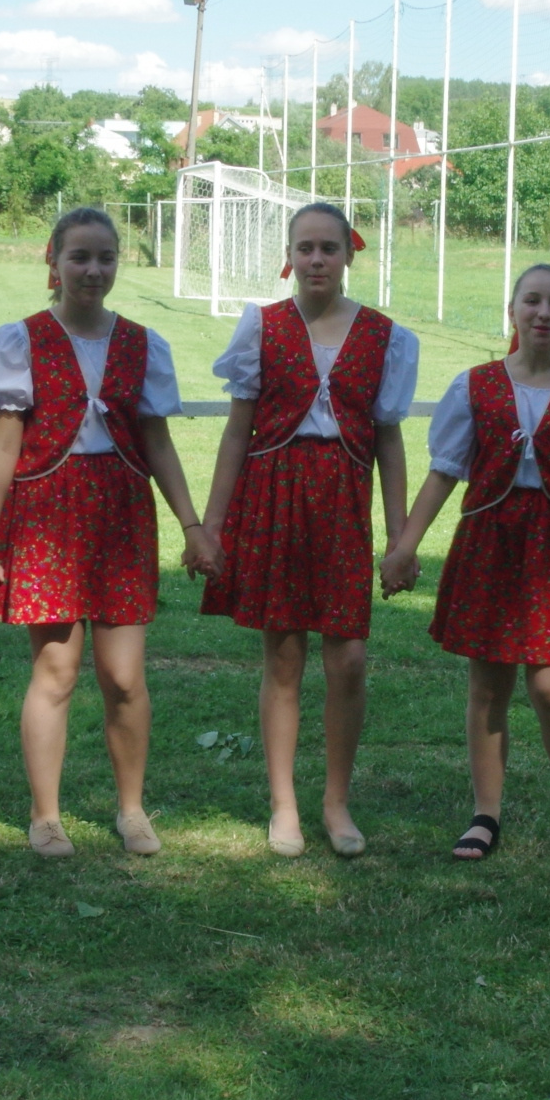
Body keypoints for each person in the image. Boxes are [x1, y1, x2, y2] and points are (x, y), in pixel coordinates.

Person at [0, 208, 219, 858]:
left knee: (124, 676)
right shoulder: (22, 339)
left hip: (120, 514)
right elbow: (3, 447)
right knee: (55, 669)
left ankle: (131, 809)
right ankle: (46, 815)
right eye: (79, 256)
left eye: (105, 257)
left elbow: (158, 443)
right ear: (53, 260)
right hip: (47, 512)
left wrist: (192, 525)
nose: (92, 269)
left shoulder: (142, 343)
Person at [379, 263, 550, 861]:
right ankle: (485, 813)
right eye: (533, 301)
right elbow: (445, 471)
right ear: (513, 310)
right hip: (489, 542)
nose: (544, 313)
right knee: (489, 684)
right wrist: (405, 546)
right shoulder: (475, 385)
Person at [198, 202, 418, 858]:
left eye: (329, 247)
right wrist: (211, 525)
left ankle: (336, 801)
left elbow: (389, 441)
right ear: (289, 256)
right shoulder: (263, 327)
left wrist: (400, 537)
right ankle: (285, 804)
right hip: (274, 498)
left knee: (348, 659)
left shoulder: (383, 336)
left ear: (349, 254)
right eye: (305, 248)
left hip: (343, 504)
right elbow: (237, 433)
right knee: (284, 656)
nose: (316, 259)